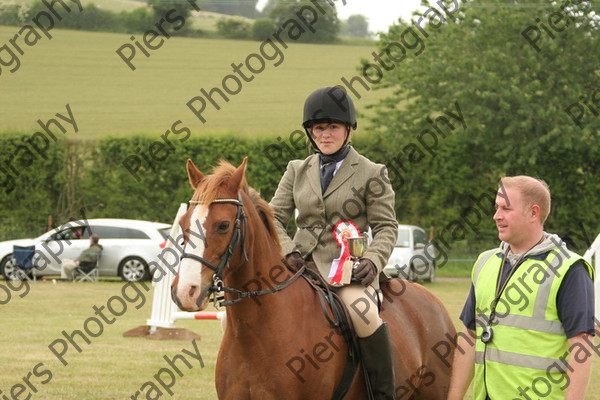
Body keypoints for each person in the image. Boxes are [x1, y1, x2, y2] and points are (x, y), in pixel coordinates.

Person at [270, 86, 399, 399]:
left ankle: (382, 394)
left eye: (332, 127)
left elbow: (386, 226)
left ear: (348, 130)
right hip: (298, 266)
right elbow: (272, 218)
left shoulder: (372, 172)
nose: (324, 134)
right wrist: (288, 252)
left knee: (364, 314)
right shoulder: (296, 170)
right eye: (318, 128)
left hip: (348, 269)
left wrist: (372, 260)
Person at [447, 176, 595, 400]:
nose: (496, 216)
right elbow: (470, 335)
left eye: (506, 208)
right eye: (496, 207)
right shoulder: (485, 263)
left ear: (533, 213)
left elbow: (581, 346)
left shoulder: (569, 269)